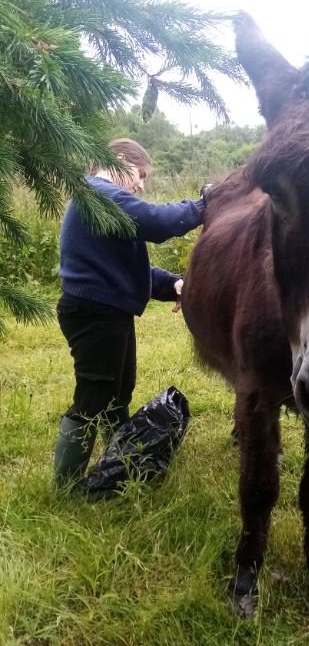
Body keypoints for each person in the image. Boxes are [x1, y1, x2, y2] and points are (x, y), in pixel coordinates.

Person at [54, 138, 206, 486]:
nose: (139, 184)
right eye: (140, 175)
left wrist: (174, 285)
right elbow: (154, 221)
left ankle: (119, 464)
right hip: (93, 312)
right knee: (93, 396)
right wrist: (202, 206)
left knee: (119, 390)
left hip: (108, 311)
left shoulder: (105, 203)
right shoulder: (96, 193)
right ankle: (66, 485)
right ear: (119, 159)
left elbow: (127, 270)